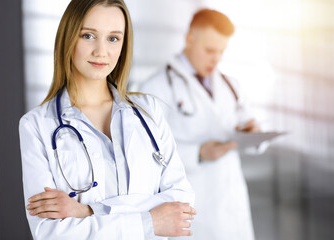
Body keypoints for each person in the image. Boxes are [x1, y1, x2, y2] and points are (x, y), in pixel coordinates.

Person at [19, 0, 196, 239]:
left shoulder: (149, 111)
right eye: (89, 36)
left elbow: (181, 204)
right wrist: (149, 221)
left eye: (113, 38)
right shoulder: (36, 126)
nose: (101, 51)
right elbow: (52, 233)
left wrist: (88, 211)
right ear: (68, 37)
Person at [139, 9, 259, 240]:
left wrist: (253, 133)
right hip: (194, 210)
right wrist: (198, 153)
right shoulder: (156, 88)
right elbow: (146, 154)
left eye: (222, 52)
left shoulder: (229, 85)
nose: (216, 59)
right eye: (210, 50)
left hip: (233, 209)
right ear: (189, 39)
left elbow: (249, 126)